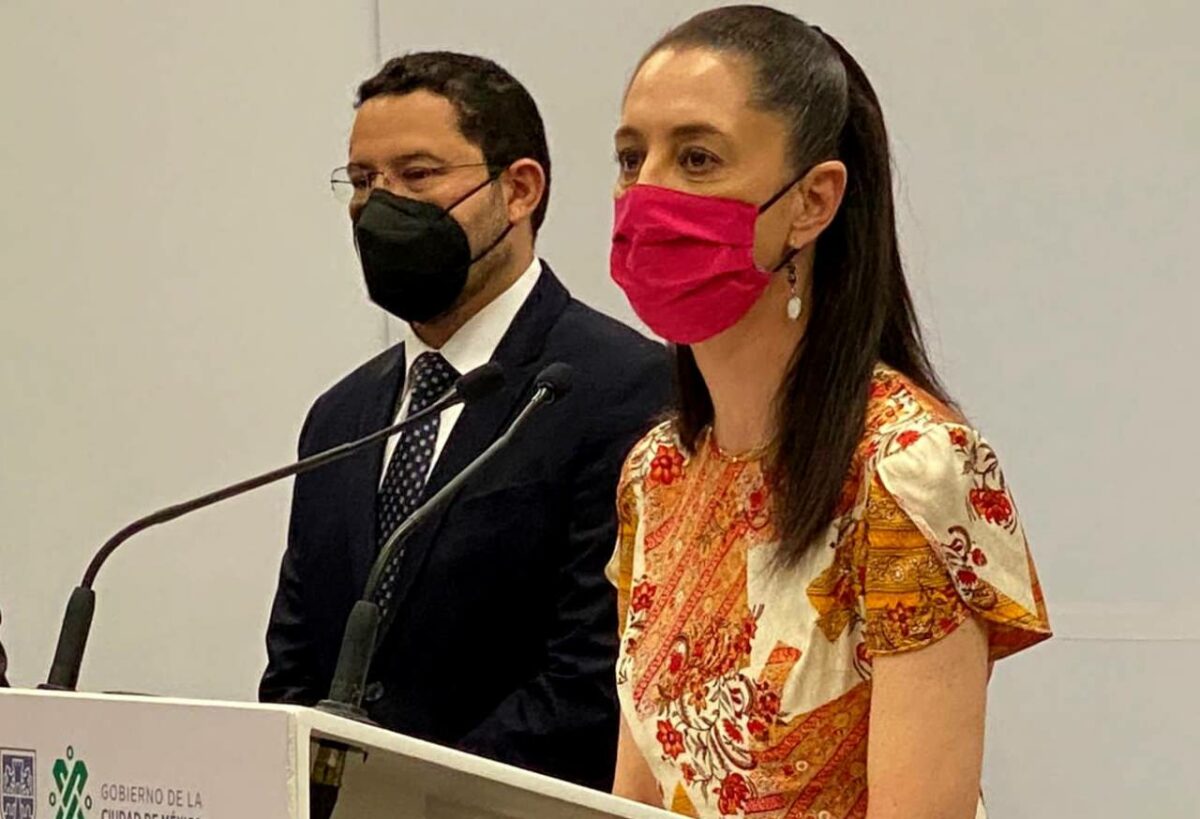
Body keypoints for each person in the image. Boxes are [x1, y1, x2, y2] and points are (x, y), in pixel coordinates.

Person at [605, 7, 1051, 818]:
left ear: (812, 202)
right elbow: (634, 796)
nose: (647, 193)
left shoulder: (908, 468)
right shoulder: (656, 471)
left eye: (697, 158)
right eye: (633, 157)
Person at [260, 51, 671, 791]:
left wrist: (398, 799)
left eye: (417, 175)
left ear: (519, 190)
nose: (380, 207)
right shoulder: (340, 416)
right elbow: (294, 664)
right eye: (363, 181)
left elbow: (591, 679)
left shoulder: (624, 388)